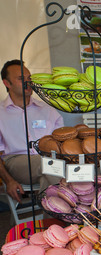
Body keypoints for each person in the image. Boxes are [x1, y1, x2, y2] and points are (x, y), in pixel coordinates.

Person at [0, 59, 64, 203]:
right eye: (21, 79)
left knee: (48, 175)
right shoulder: (1, 113)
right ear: (7, 83)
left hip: (49, 161)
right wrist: (9, 181)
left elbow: (61, 143)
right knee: (49, 165)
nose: (28, 82)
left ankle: (51, 221)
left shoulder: (48, 110)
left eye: (29, 78)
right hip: (16, 161)